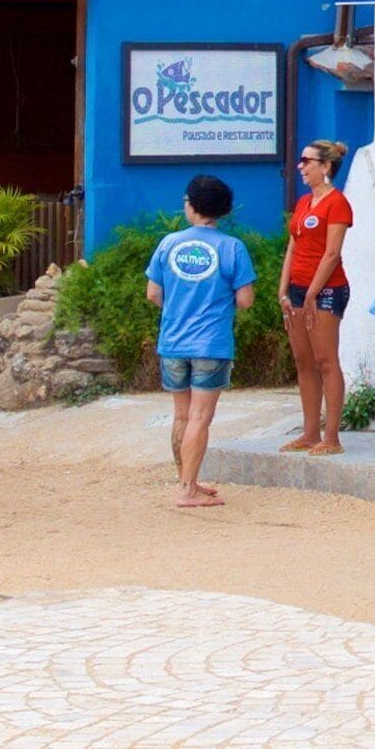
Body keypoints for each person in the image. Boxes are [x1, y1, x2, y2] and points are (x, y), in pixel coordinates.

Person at [147, 175, 258, 509]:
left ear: (192, 206)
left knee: (182, 415)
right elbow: (246, 300)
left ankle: (186, 479)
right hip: (211, 343)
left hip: (173, 341)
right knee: (200, 417)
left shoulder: (168, 243)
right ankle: (188, 488)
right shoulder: (232, 247)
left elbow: (153, 294)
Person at [278, 138, 356, 454]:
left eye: (307, 161)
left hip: (326, 291)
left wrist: (312, 293)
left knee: (326, 360)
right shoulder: (303, 202)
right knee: (303, 361)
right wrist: (283, 289)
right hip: (298, 290)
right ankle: (310, 432)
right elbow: (293, 247)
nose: (301, 166)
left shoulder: (337, 203)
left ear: (325, 166)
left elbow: (332, 253)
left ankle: (332, 437)